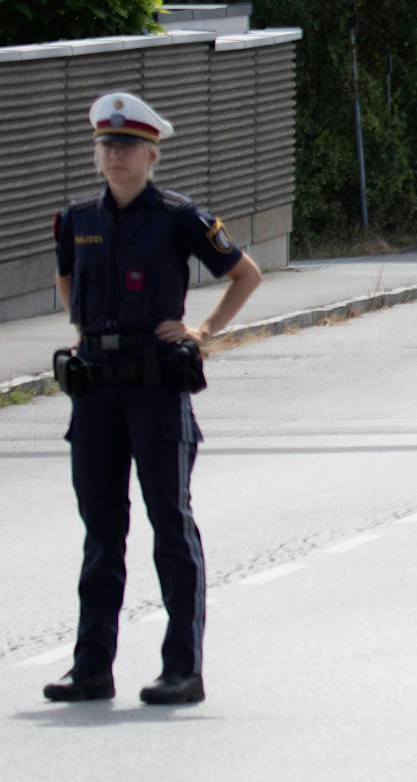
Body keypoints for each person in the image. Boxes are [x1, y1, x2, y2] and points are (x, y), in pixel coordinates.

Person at [43, 90, 262, 707]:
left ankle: (182, 669)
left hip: (157, 388)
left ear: (150, 154)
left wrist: (203, 331)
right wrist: (84, 325)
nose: (115, 155)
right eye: (107, 144)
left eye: (128, 146)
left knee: (170, 523)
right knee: (101, 530)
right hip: (95, 389)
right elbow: (66, 277)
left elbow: (245, 273)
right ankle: (91, 669)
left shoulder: (178, 217)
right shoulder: (77, 219)